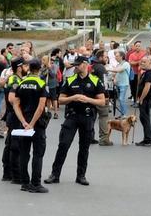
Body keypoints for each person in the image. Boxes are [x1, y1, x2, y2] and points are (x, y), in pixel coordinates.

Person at [50, 58, 104, 184]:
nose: (75, 67)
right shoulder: (70, 80)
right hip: (72, 116)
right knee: (63, 145)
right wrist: (73, 97)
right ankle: (55, 174)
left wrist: (88, 100)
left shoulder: (96, 81)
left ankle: (81, 176)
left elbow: (102, 101)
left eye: (77, 65)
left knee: (84, 148)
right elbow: (60, 100)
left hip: (87, 117)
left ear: (85, 65)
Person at [11, 58, 51, 193]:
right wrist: (32, 124)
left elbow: (15, 104)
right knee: (38, 154)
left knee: (24, 153)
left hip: (24, 123)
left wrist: (23, 122)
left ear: (28, 68)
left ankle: (24, 183)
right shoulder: (41, 83)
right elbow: (40, 108)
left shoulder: (22, 83)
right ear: (39, 69)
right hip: (37, 124)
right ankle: (35, 183)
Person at [134, 56, 151, 146]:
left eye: (144, 62)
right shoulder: (147, 72)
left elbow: (147, 87)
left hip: (146, 99)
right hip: (148, 99)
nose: (141, 63)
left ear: (150, 62)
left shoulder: (149, 74)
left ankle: (148, 139)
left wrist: (141, 98)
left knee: (144, 118)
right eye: (141, 61)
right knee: (145, 118)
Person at [106, 50, 131, 116]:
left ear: (121, 56)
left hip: (124, 84)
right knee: (120, 100)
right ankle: (122, 114)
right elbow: (115, 73)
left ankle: (124, 114)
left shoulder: (126, 64)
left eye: (117, 56)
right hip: (118, 84)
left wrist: (108, 69)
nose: (115, 57)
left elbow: (118, 70)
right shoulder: (118, 64)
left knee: (121, 99)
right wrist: (112, 77)